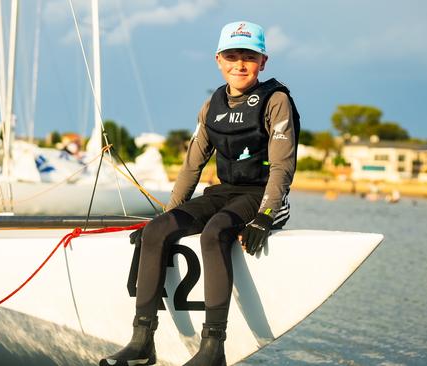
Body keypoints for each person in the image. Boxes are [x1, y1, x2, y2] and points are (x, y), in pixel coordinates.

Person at [100, 21, 300, 366]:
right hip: (223, 191)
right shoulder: (212, 106)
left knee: (215, 232)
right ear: (218, 60)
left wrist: (266, 216)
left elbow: (283, 167)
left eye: (249, 57)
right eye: (232, 56)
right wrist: (166, 216)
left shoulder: (276, 100)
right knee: (156, 231)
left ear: (263, 61)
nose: (240, 64)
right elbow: (192, 167)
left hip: (260, 193)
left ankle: (213, 349)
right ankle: (142, 341)